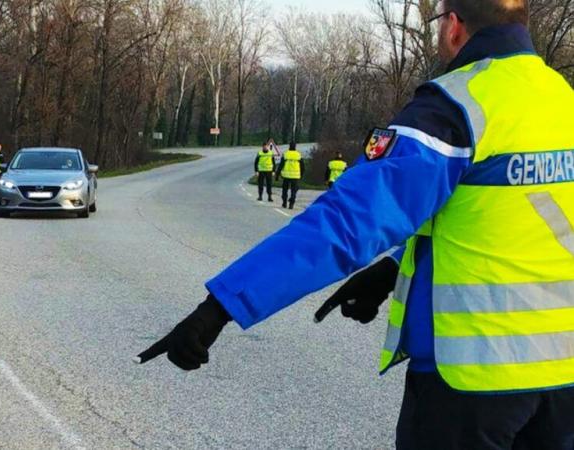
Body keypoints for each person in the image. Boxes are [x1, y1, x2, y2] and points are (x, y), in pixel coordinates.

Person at [136, 0, 574, 448]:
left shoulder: (457, 107)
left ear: (454, 27)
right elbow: (511, 219)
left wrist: (221, 308)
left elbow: (347, 224)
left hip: (473, 384)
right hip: (564, 380)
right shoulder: (562, 98)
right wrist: (391, 271)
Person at [275, 142, 304, 210]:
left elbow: (281, 166)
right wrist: (301, 175)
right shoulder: (298, 155)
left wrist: (277, 175)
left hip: (286, 176)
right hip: (295, 176)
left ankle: (284, 203)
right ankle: (291, 204)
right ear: (295, 147)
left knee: (285, 190)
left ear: (289, 146)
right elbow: (302, 167)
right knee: (293, 191)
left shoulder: (285, 154)